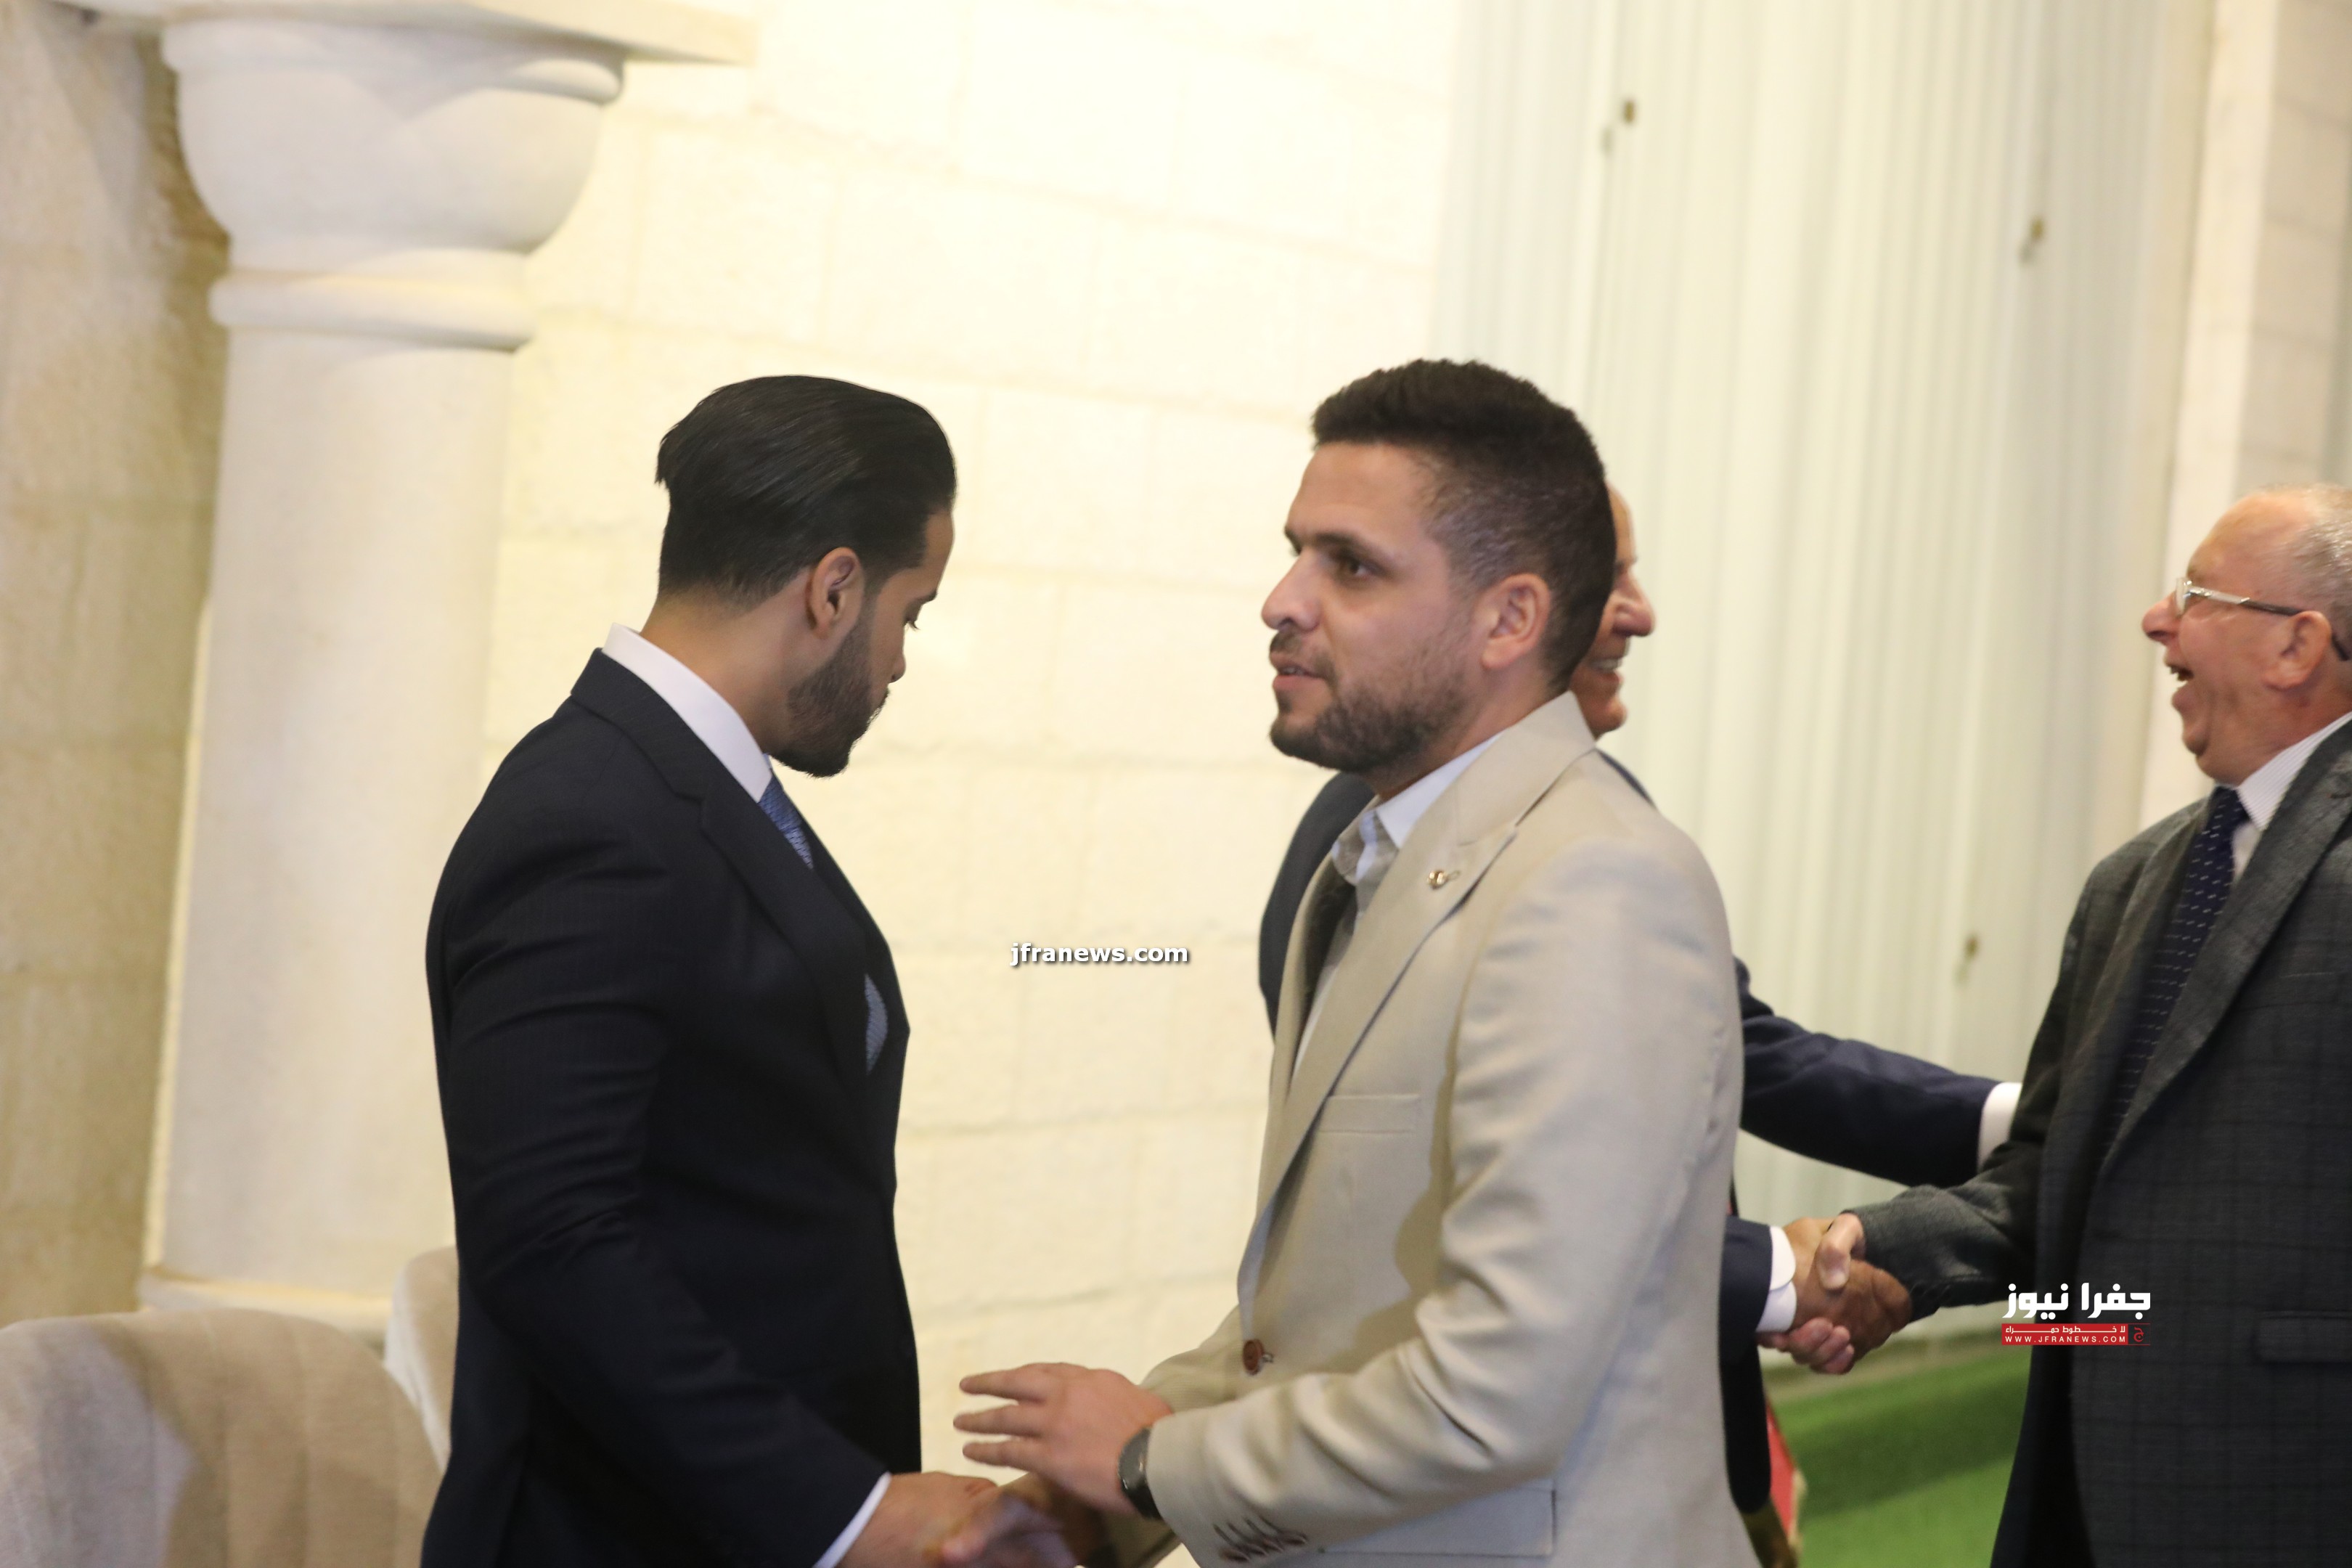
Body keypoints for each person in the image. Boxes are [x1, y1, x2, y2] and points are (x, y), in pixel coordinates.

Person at [950, 360, 1757, 1567]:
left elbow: (1494, 1394)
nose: (1283, 601)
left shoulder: (1594, 886)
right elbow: (1327, 1325)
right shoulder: (1385, 857)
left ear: (1509, 621)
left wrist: (1149, 1461)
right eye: (1297, 553)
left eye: (1353, 566)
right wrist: (1101, 1507)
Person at [1259, 489, 2017, 1548]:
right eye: (1612, 575)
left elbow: (1739, 1048)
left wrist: (2020, 1124)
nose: (1642, 613)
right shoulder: (1386, 851)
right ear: (1508, 610)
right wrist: (1780, 1279)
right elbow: (1456, 1205)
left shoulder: (1569, 815)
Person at [422, 377, 994, 1567]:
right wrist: (843, 1512)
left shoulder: (691, 787)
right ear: (834, 589)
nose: (899, 663)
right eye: (912, 613)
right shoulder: (594, 815)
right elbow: (552, 1238)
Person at [1802, 484, 2352, 1567]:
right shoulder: (2132, 882)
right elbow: (2063, 1172)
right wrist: (1887, 1254)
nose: (2156, 621)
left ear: (2297, 645)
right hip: (2079, 1485)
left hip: (2295, 1488)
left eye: (2193, 596)